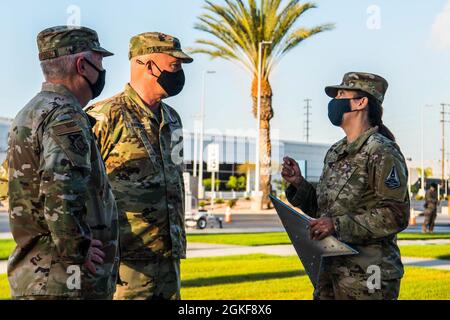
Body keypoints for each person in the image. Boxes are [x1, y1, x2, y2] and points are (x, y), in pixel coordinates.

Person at [4, 26, 119, 300]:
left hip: (38, 275)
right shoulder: (65, 116)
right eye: (99, 60)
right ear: (83, 65)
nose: (102, 68)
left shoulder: (30, 111)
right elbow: (61, 188)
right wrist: (77, 249)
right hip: (64, 281)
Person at [282, 72, 410, 300]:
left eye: (342, 94)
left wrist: (337, 225)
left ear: (361, 102)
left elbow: (396, 215)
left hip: (369, 274)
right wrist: (298, 184)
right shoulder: (335, 151)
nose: (335, 101)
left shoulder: (381, 150)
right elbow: (324, 212)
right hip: (330, 270)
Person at [85, 32, 192, 300]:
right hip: (125, 260)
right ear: (146, 65)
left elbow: (176, 178)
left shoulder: (173, 119)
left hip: (169, 256)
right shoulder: (103, 116)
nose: (178, 73)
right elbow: (79, 183)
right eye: (173, 65)